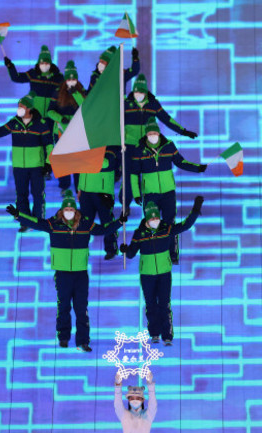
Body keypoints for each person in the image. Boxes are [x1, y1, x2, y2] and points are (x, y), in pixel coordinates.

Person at [6, 191, 127, 352]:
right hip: (62, 274)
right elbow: (35, 222)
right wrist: (18, 216)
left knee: (81, 308)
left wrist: (119, 222)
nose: (69, 212)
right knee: (63, 307)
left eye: (71, 209)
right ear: (62, 211)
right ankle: (63, 337)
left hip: (81, 274)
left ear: (75, 210)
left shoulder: (85, 224)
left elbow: (103, 229)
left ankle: (83, 341)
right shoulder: (53, 224)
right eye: (66, 209)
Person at [120, 197, 204, 344]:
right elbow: (132, 253)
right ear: (147, 218)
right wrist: (125, 250)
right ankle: (154, 334)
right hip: (147, 275)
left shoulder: (166, 229)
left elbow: (185, 225)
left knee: (164, 304)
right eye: (152, 218)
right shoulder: (139, 234)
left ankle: (167, 336)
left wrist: (195, 210)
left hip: (164, 273)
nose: (155, 220)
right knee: (151, 305)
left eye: (157, 217)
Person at [130, 118, 206, 264]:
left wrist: (197, 168)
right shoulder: (139, 149)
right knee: (151, 222)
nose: (153, 135)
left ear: (159, 133)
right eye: (150, 132)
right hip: (150, 194)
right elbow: (134, 174)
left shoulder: (169, 146)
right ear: (146, 134)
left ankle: (173, 253)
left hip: (168, 192)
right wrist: (136, 193)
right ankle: (154, 253)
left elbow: (180, 162)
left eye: (155, 132)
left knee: (170, 224)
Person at [122, 74, 198, 206]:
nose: (138, 94)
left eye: (140, 91)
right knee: (130, 176)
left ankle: (148, 204)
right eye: (135, 91)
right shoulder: (125, 104)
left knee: (147, 177)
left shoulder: (153, 104)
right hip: (129, 146)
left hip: (147, 147)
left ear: (145, 91)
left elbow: (167, 119)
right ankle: (125, 204)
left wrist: (183, 131)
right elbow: (116, 123)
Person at [0, 92, 53, 232]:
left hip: (36, 166)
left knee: (38, 194)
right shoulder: (15, 122)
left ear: (29, 108)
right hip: (19, 166)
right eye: (18, 105)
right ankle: (25, 222)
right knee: (21, 195)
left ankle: (38, 221)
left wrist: (48, 163)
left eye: (22, 106)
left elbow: (49, 145)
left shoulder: (41, 124)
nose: (19, 108)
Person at [46, 60, 85, 195]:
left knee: (77, 160)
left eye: (73, 78)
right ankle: (64, 186)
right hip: (61, 131)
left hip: (77, 132)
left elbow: (86, 108)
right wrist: (60, 118)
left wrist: (75, 93)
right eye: (69, 78)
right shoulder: (57, 92)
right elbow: (49, 111)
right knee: (64, 160)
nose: (71, 80)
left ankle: (79, 187)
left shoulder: (82, 91)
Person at [77, 146, 121, 260]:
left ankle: (111, 249)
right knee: (84, 223)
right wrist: (80, 188)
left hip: (103, 192)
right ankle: (82, 250)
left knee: (107, 222)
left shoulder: (112, 148)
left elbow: (107, 165)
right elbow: (81, 170)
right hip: (86, 192)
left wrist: (90, 156)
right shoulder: (84, 148)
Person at [3, 45, 64, 118]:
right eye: (42, 63)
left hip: (52, 115)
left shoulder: (58, 77)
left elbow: (64, 92)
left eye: (47, 63)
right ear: (38, 63)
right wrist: (10, 66)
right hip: (35, 115)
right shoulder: (33, 73)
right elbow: (17, 78)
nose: (44, 65)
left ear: (50, 64)